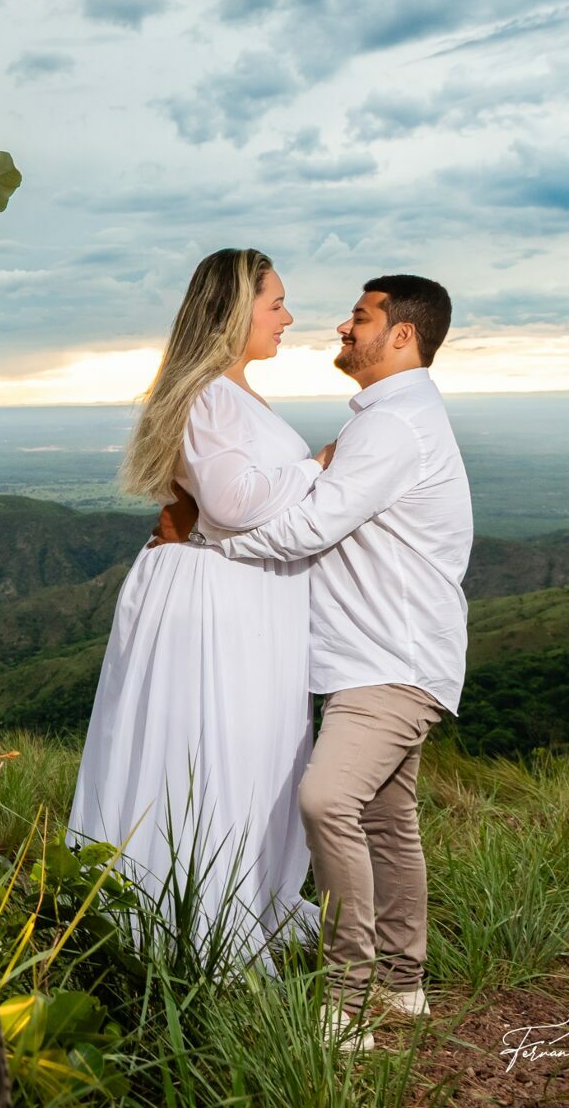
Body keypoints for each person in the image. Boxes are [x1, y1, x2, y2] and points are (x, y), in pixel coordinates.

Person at [184, 275, 473, 1052]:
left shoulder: (394, 425)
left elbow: (313, 525)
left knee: (326, 800)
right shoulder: (395, 416)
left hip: (390, 661)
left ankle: (346, 1003)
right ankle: (404, 984)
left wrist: (209, 542)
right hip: (387, 655)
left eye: (361, 317)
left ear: (402, 335)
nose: (344, 327)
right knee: (387, 819)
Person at [66, 248, 329, 970]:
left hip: (237, 592)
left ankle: (243, 896)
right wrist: (318, 467)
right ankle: (194, 916)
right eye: (275, 303)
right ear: (235, 311)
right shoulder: (211, 394)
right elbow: (232, 502)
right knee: (210, 748)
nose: (287, 317)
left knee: (247, 748)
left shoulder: (231, 392)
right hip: (213, 597)